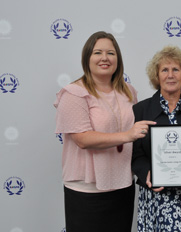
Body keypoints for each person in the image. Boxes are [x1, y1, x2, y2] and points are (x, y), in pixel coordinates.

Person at [54, 31, 155, 232]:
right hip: (86, 190)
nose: (105, 58)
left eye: (111, 53)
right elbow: (82, 139)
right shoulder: (74, 93)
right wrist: (127, 135)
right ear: (87, 58)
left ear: (118, 58)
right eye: (97, 52)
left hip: (122, 185)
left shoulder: (129, 91)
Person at [132, 45, 181, 231]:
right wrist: (147, 174)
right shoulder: (140, 110)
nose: (170, 75)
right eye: (165, 70)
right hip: (155, 198)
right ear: (156, 75)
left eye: (176, 69)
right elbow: (136, 155)